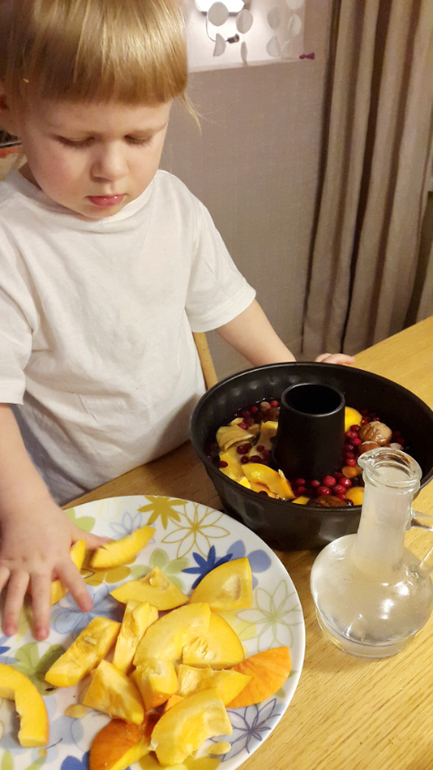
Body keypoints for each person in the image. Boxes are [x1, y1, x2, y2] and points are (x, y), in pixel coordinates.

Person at [0, 0, 354, 642]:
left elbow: (227, 304)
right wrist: (24, 510)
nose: (112, 169)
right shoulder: (10, 238)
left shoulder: (174, 206)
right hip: (81, 501)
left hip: (194, 465)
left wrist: (293, 376)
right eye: (75, 140)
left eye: (140, 138)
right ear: (9, 109)